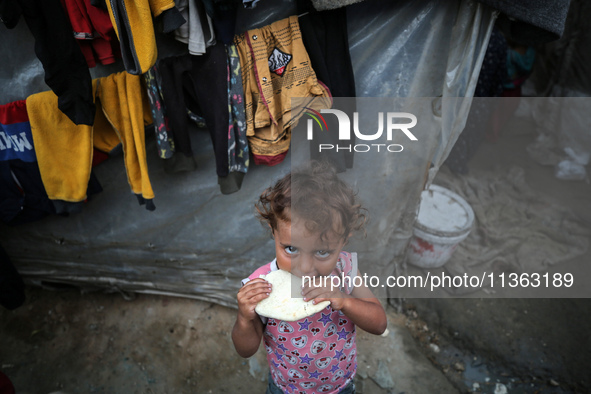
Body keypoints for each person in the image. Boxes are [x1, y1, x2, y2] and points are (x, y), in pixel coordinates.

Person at [232, 160, 387, 394]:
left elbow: (379, 322)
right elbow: (246, 349)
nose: (304, 267)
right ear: (274, 231)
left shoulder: (345, 269)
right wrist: (245, 318)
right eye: (291, 249)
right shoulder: (263, 284)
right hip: (286, 388)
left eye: (322, 252)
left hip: (339, 385)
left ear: (343, 241)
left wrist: (345, 301)